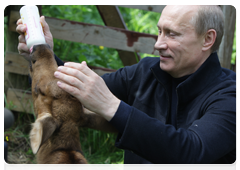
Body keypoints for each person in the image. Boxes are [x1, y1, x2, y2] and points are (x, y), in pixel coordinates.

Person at [17, 5, 237, 170]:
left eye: (172, 34)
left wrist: (112, 106)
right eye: (159, 31)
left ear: (207, 39)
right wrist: (43, 56)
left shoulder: (230, 96)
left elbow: (190, 151)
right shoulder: (145, 71)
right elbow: (67, 98)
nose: (158, 43)